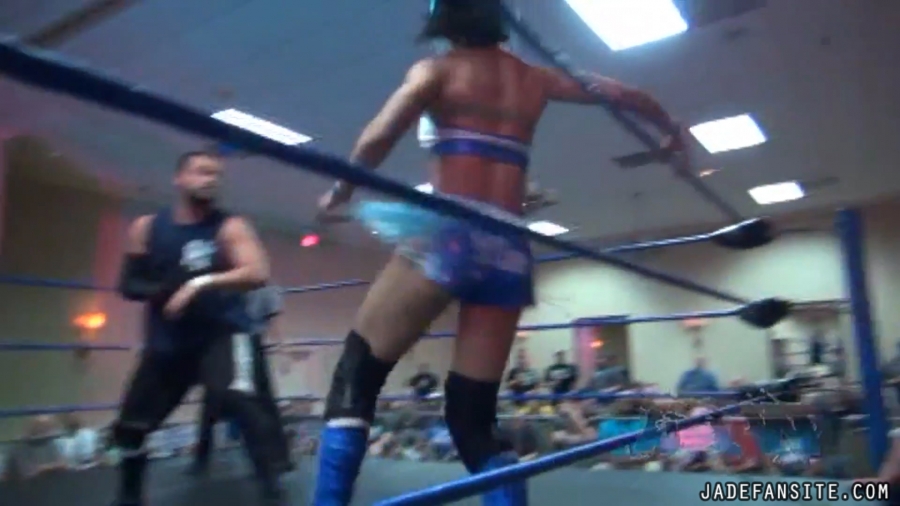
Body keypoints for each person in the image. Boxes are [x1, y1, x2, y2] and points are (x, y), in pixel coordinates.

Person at [312, 1, 687, 504]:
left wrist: (339, 193)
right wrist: (669, 126)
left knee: (356, 375)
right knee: (472, 416)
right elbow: (621, 93)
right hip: (507, 249)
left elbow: (380, 134)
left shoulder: (436, 70)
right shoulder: (535, 80)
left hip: (449, 235)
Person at [112, 150, 286, 506]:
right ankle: (129, 497)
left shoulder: (230, 226)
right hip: (170, 341)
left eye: (216, 174)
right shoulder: (146, 227)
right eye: (202, 172)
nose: (211, 180)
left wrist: (197, 284)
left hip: (222, 335)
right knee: (130, 425)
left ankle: (272, 491)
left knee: (242, 401)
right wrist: (165, 289)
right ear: (179, 178)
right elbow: (129, 285)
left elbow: (257, 272)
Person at [189, 284, 293, 476]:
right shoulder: (227, 285)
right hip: (226, 344)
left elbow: (274, 319)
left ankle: (280, 459)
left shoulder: (262, 287)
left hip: (249, 344)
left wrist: (282, 349)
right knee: (213, 402)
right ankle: (201, 460)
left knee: (263, 403)